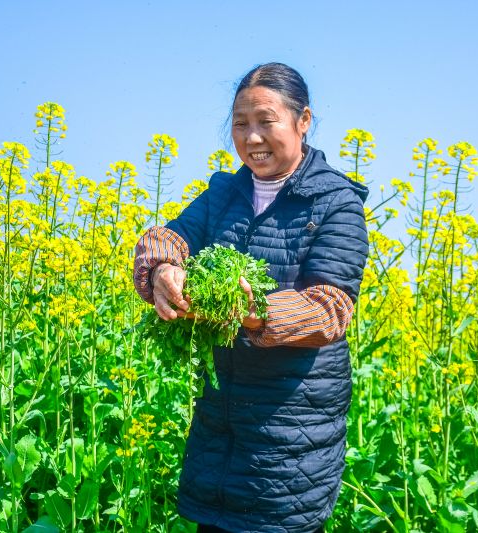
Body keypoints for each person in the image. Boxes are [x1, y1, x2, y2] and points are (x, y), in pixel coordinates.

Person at [132, 62, 369, 533]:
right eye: (241, 124)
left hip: (291, 433)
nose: (252, 137)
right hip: (221, 428)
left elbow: (330, 307)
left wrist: (258, 312)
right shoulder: (225, 193)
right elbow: (171, 237)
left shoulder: (335, 203)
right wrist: (162, 269)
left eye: (266, 121)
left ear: (303, 121)